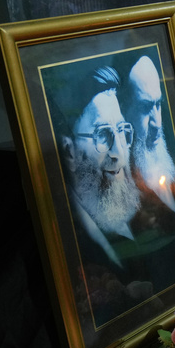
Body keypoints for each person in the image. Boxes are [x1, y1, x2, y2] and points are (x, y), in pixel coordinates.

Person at [50, 66, 141, 270]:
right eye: (102, 135)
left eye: (121, 131)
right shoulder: (67, 239)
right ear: (69, 151)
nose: (119, 152)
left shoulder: (138, 215)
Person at [120, 55, 175, 236]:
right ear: (124, 109)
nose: (157, 122)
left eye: (158, 104)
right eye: (146, 107)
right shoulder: (116, 178)